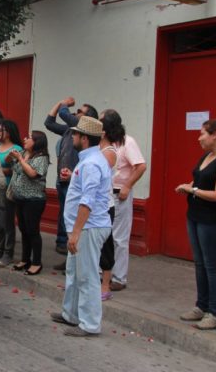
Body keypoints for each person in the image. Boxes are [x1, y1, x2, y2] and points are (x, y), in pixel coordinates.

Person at [175, 116, 216, 330]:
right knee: (200, 262)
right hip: (195, 215)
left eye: (203, 133)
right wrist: (190, 184)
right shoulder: (208, 156)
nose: (199, 137)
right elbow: (201, 179)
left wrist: (192, 190)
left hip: (212, 220)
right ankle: (201, 306)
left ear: (215, 136)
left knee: (211, 265)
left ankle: (214, 311)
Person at [50, 116, 111, 337]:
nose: (72, 136)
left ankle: (90, 324)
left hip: (88, 227)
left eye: (75, 134)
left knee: (86, 276)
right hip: (84, 226)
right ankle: (71, 314)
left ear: (84, 138)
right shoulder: (89, 160)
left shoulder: (92, 163)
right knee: (75, 272)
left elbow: (88, 200)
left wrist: (75, 232)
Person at [44, 97, 98, 271]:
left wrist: (65, 103)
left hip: (74, 182)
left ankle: (74, 261)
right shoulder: (70, 130)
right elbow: (49, 122)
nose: (76, 113)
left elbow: (63, 113)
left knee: (74, 220)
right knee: (65, 216)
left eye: (80, 112)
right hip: (63, 180)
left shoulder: (81, 125)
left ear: (87, 119)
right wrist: (59, 102)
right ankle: (68, 256)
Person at [108, 111, 147, 292]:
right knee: (105, 235)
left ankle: (119, 277)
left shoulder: (127, 142)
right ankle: (105, 271)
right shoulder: (107, 144)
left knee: (119, 237)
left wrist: (127, 186)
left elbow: (140, 166)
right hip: (107, 194)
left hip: (120, 193)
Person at [9, 131, 49, 276]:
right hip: (20, 198)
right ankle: (25, 259)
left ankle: (37, 262)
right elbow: (15, 169)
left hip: (34, 200)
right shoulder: (24, 153)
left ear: (37, 142)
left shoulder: (41, 158)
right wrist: (13, 157)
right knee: (23, 230)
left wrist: (20, 159)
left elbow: (32, 174)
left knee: (33, 231)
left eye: (30, 137)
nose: (25, 139)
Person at [98, 110, 125, 301]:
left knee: (106, 245)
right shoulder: (97, 148)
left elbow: (98, 175)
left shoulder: (109, 152)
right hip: (94, 204)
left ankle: (105, 286)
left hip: (104, 205)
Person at [0, 119, 23, 267]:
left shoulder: (16, 148)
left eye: (1, 129)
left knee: (8, 222)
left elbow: (15, 169)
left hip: (8, 188)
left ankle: (8, 253)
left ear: (8, 132)